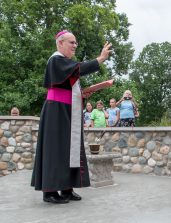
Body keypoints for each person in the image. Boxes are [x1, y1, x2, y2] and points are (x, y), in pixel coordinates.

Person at [31, 30, 112, 204]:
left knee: (68, 149)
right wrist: (100, 59)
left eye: (76, 42)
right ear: (60, 43)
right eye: (71, 42)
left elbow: (68, 87)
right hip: (56, 111)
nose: (75, 45)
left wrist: (83, 94)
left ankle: (67, 188)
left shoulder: (64, 63)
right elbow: (79, 69)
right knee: (55, 149)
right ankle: (50, 191)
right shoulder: (55, 60)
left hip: (67, 110)